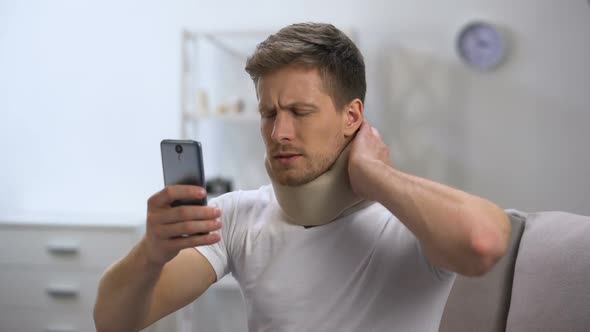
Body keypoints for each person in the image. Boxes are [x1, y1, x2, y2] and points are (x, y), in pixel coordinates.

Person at [94, 22, 510, 332]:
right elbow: (112, 322)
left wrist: (374, 173)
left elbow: (483, 242)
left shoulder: (408, 221)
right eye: (269, 114)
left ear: (352, 117)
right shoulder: (237, 216)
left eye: (300, 112)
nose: (280, 133)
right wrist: (151, 250)